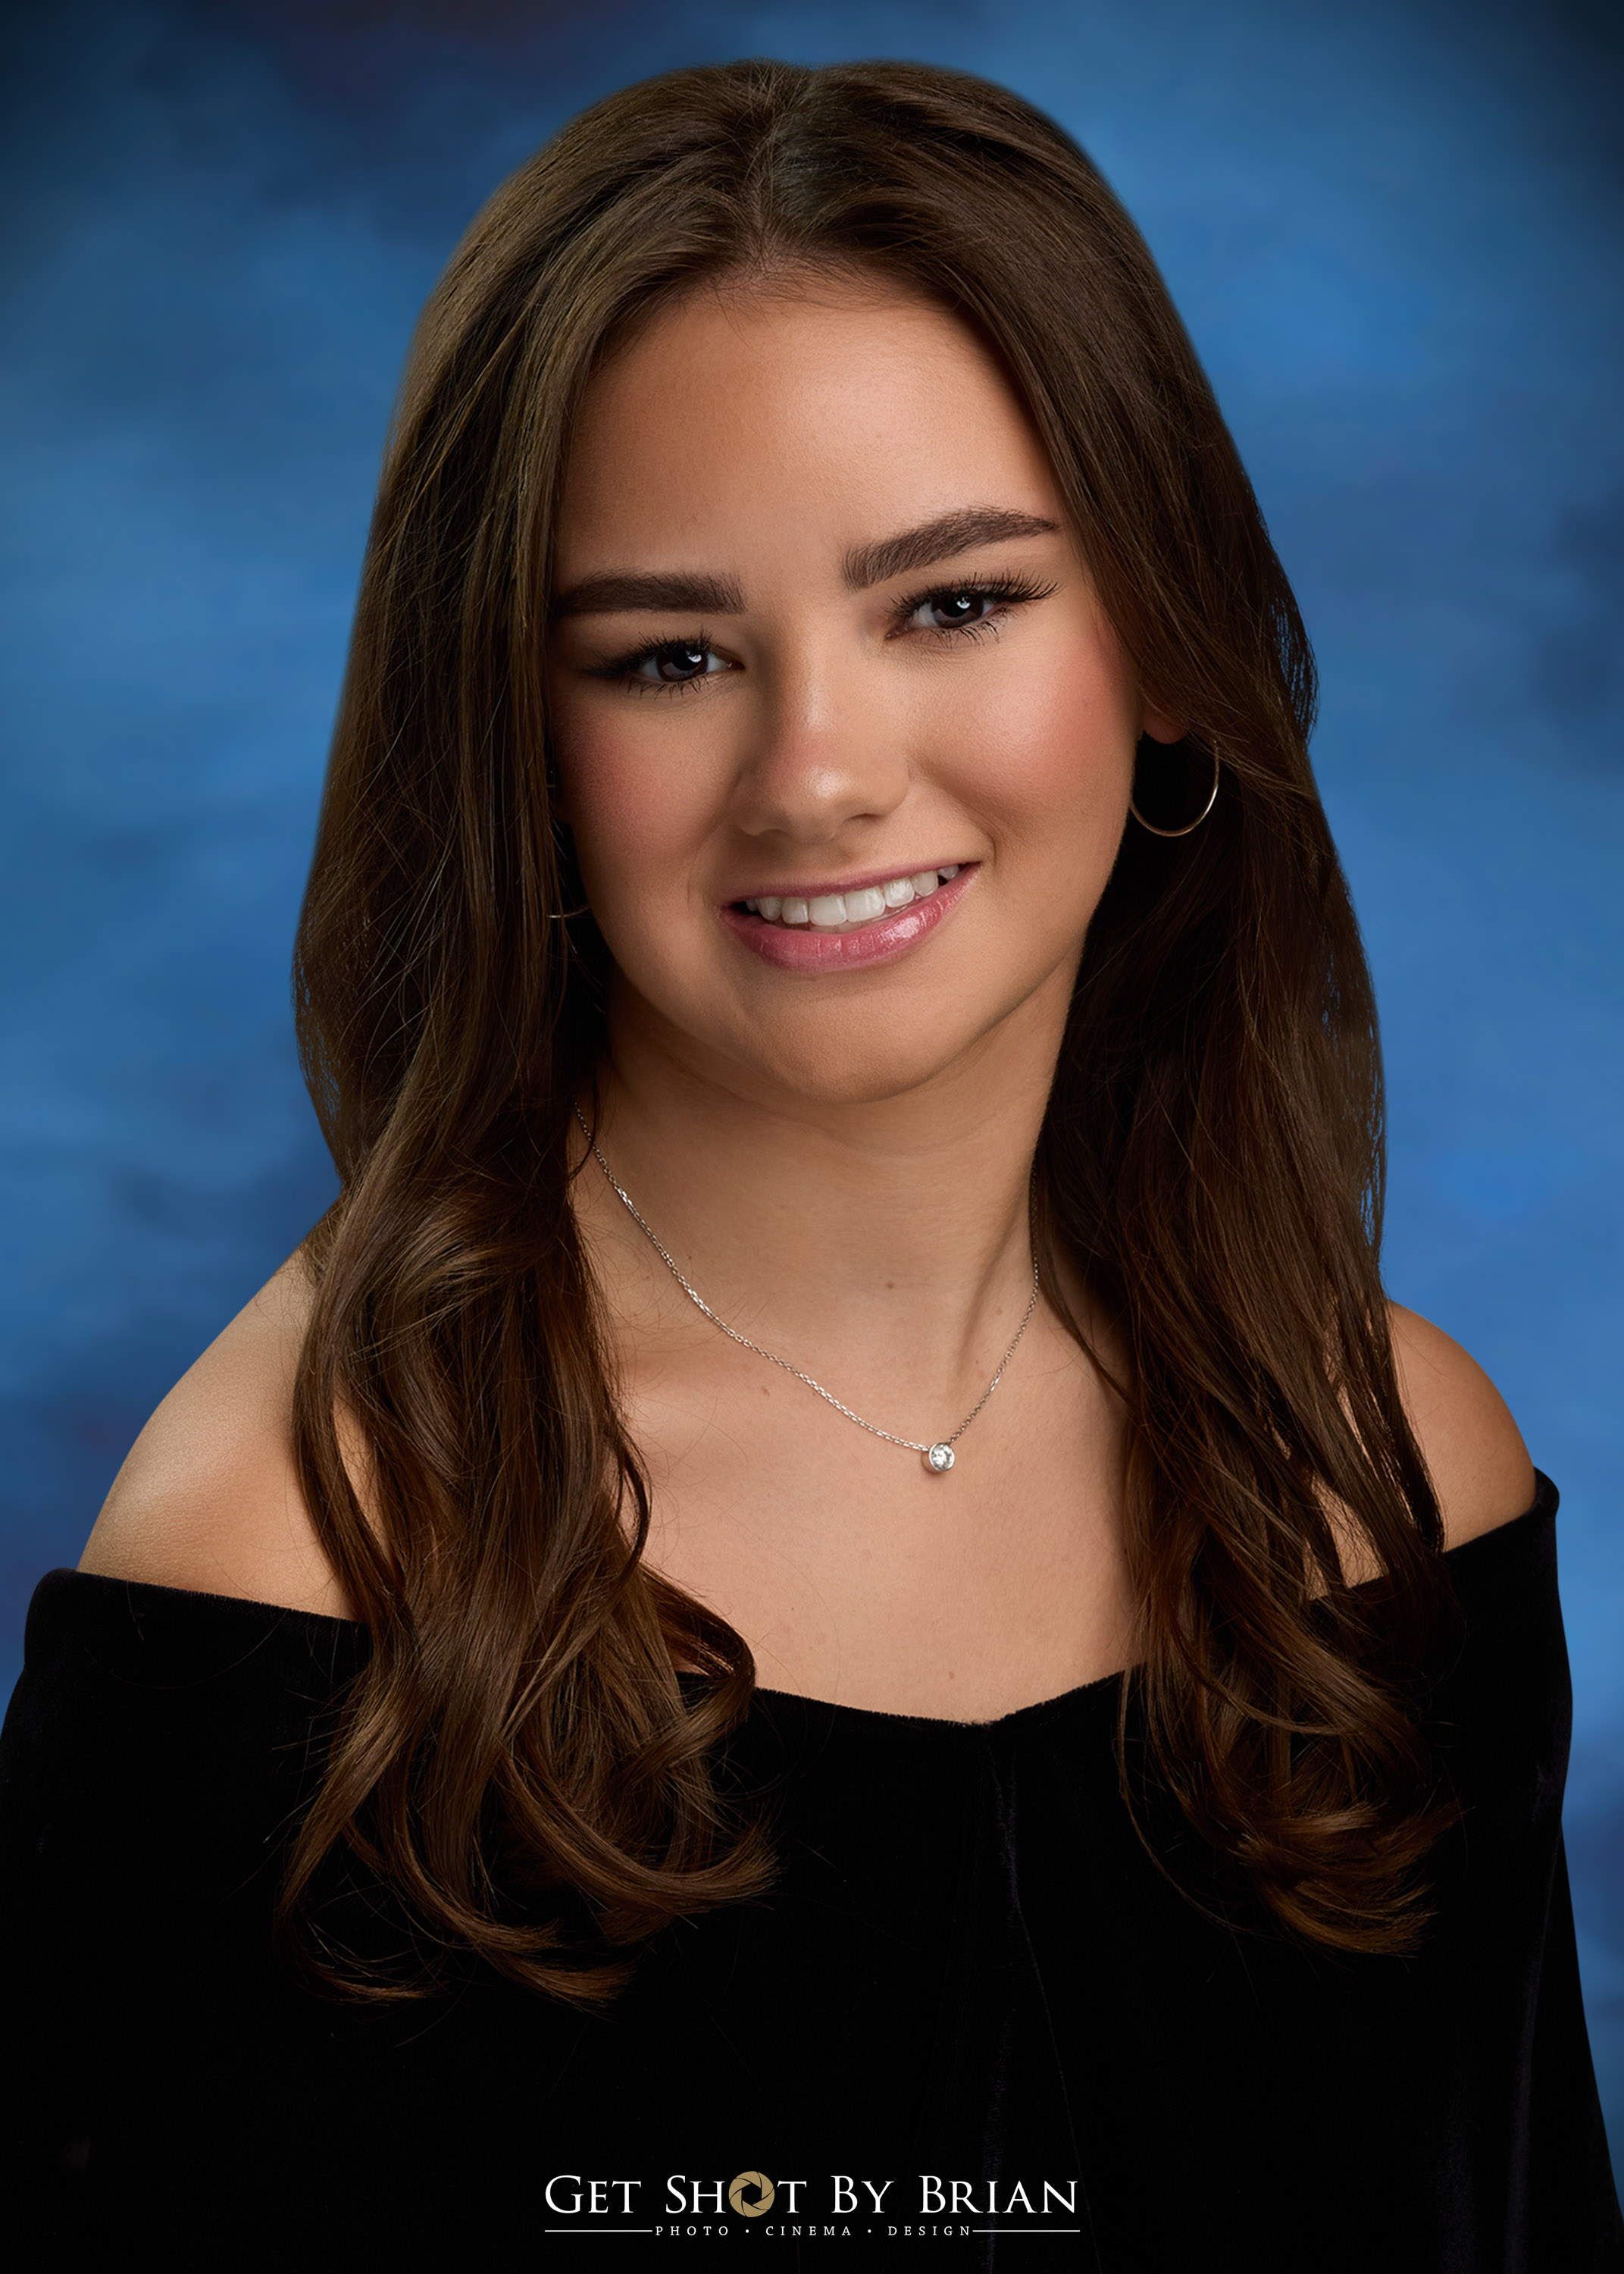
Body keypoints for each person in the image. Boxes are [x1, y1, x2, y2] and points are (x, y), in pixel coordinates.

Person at [2, 56, 1619, 2274]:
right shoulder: (298, 1565)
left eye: (954, 603)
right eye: (671, 656)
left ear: (1162, 639)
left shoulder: (1389, 1477)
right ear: (518, 749)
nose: (822, 773)